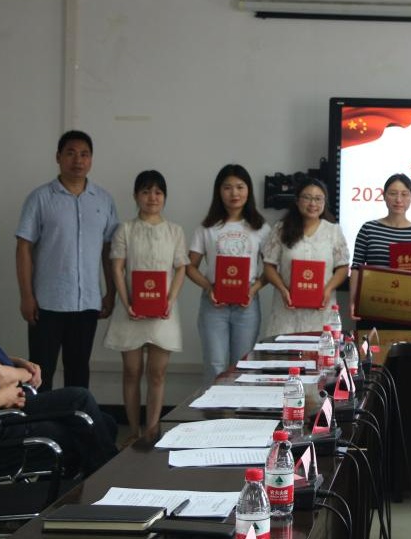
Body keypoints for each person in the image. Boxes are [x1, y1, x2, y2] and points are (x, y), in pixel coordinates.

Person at [0, 223, 117, 476]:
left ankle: (97, 481)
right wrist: (17, 382)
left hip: (0, 403)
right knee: (79, 410)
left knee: (102, 422)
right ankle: (110, 480)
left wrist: (14, 362)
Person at [15, 130, 118, 391]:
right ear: (58, 157)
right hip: (46, 303)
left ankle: (75, 419)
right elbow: (24, 247)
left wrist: (111, 292)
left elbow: (110, 251)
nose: (78, 160)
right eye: (71, 153)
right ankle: (39, 418)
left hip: (87, 303)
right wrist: (26, 295)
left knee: (79, 371)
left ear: (91, 159)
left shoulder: (104, 200)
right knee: (40, 372)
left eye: (84, 154)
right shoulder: (40, 198)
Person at [103, 171, 188, 442]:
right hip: (130, 311)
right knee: (131, 372)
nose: (152, 197)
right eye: (146, 191)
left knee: (157, 373)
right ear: (136, 196)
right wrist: (126, 301)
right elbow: (117, 267)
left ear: (165, 197)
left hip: (164, 312)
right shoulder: (125, 229)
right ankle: (133, 431)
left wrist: (169, 301)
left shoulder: (175, 231)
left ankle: (151, 430)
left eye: (158, 192)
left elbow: (181, 268)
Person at [186, 164, 270, 385]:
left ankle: (240, 408)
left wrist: (253, 289)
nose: (234, 193)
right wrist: (208, 287)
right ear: (219, 191)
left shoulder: (260, 227)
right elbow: (190, 266)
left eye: (240, 187)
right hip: (214, 305)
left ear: (248, 190)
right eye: (227, 187)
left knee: (243, 366)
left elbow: (271, 269)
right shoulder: (207, 227)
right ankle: (213, 408)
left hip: (247, 306)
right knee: (215, 365)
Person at [261, 175, 349, 337]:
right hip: (286, 311)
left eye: (318, 199)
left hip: (321, 311)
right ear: (297, 200)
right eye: (307, 198)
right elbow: (269, 265)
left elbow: (343, 267)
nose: (313, 204)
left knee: (320, 351)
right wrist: (283, 289)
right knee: (284, 352)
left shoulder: (333, 231)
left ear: (324, 202)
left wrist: (328, 289)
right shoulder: (281, 229)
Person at [349, 173, 411, 330]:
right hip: (372, 306)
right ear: (384, 196)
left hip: (407, 308)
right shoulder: (368, 229)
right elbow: (356, 268)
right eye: (393, 193)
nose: (398, 199)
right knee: (370, 346)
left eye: (404, 194)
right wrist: (353, 302)